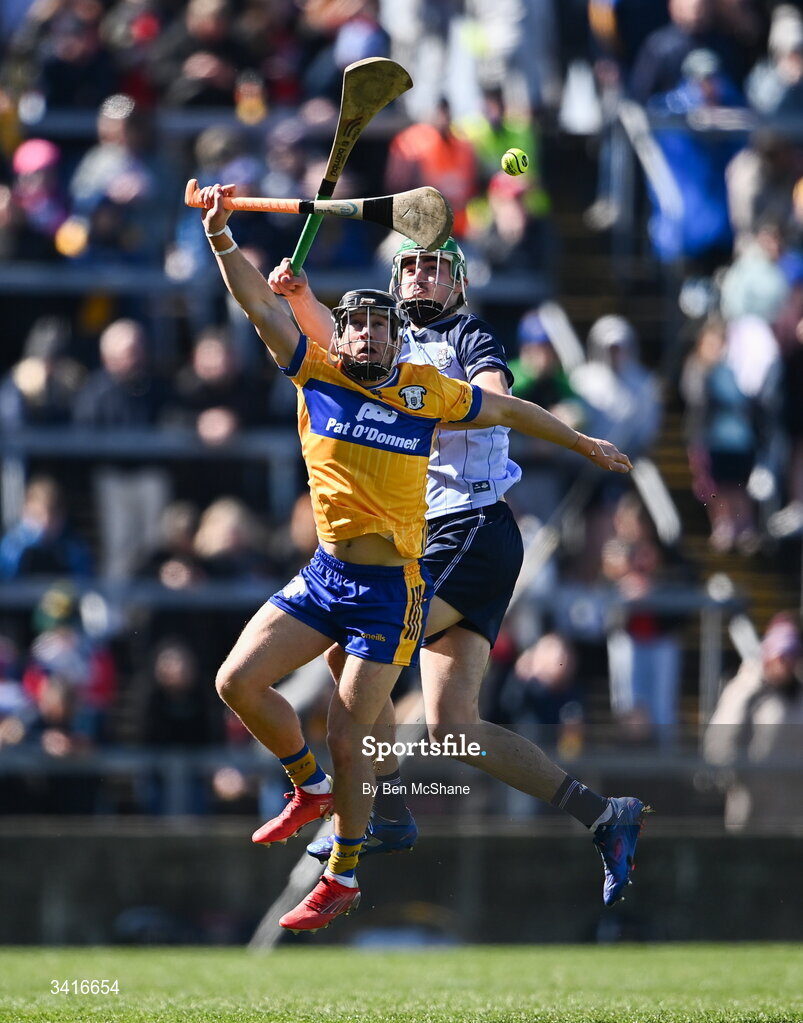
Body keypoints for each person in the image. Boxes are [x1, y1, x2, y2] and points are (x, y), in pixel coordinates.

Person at [196, 181, 639, 932]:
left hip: (465, 528)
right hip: (428, 536)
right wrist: (299, 298)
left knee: (355, 653)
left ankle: (378, 809)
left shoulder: (464, 340)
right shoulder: (387, 344)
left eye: (436, 267)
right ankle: (602, 813)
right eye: (411, 267)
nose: (420, 277)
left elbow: (484, 396)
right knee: (450, 726)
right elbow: (333, 359)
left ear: (459, 281)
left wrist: (461, 404)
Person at [704, 614, 803, 828]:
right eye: (781, 656)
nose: (786, 664)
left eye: (792, 656)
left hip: (793, 808)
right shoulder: (744, 691)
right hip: (751, 803)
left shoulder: (797, 694)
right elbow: (720, 742)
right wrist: (733, 778)